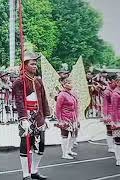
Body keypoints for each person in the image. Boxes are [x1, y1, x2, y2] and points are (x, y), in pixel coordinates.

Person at [12, 51, 51, 180]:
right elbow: (19, 101)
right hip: (27, 117)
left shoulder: (38, 81)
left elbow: (43, 99)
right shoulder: (19, 82)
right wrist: (23, 118)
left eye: (36, 64)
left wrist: (46, 116)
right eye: (32, 64)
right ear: (25, 65)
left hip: (38, 117)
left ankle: (34, 170)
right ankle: (25, 174)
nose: (35, 66)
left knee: (40, 147)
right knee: (26, 146)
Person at [55, 77, 79, 160]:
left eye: (71, 82)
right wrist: (60, 120)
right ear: (64, 85)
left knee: (74, 134)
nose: (71, 84)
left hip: (73, 117)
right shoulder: (61, 95)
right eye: (68, 83)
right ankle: (64, 153)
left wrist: (76, 117)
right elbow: (58, 108)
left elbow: (76, 106)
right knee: (65, 135)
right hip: (65, 117)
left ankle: (69, 150)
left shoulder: (72, 93)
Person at [102, 75, 117, 153]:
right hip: (109, 113)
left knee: (116, 130)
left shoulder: (116, 90)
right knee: (110, 130)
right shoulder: (107, 91)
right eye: (116, 80)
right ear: (111, 81)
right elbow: (105, 104)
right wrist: (106, 115)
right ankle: (110, 147)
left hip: (116, 114)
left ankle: (115, 145)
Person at [111, 77, 120, 166]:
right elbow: (114, 109)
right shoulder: (115, 94)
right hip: (118, 119)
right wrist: (116, 122)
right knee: (118, 140)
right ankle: (118, 159)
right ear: (117, 82)